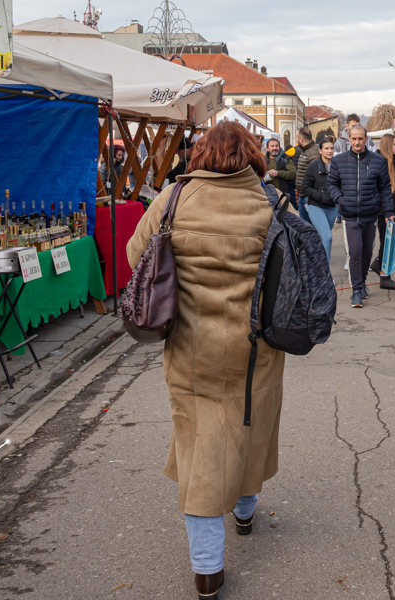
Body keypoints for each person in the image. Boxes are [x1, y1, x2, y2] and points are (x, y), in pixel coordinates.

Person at [124, 121, 285, 600]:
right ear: (252, 155)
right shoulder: (270, 203)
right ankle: (245, 511)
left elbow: (137, 257)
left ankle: (207, 570)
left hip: (191, 348)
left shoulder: (174, 199)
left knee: (200, 452)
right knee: (251, 430)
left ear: (200, 155)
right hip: (257, 349)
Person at [328, 125, 394, 308]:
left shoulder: (377, 161)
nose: (357, 142)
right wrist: (340, 199)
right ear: (349, 138)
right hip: (350, 216)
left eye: (360, 139)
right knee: (355, 252)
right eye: (354, 138)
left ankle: (362, 282)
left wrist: (389, 212)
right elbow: (332, 184)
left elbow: (385, 188)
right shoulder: (339, 161)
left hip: (370, 214)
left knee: (366, 253)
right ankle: (356, 291)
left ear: (366, 139)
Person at [372, 133, 395, 291]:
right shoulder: (381, 165)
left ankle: (378, 264)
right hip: (386, 212)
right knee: (388, 243)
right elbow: (381, 192)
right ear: (387, 145)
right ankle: (384, 275)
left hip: (394, 209)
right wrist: (386, 212)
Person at [300, 137, 340, 265]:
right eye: (326, 148)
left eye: (331, 148)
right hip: (316, 206)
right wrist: (321, 196)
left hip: (332, 207)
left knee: (322, 238)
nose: (329, 151)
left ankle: (314, 263)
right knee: (327, 237)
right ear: (320, 151)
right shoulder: (313, 166)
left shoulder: (337, 165)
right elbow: (305, 187)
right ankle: (325, 274)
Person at [292, 127, 319, 212]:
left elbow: (316, 176)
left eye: (297, 138)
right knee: (303, 224)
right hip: (302, 195)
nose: (296, 141)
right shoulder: (304, 150)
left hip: (309, 197)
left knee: (310, 224)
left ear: (301, 139)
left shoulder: (314, 152)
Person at [264, 138, 297, 206]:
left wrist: (278, 173)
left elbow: (293, 173)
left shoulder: (286, 158)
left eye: (277, 146)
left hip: (284, 194)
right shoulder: (263, 161)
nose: (275, 148)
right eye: (272, 146)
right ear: (267, 148)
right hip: (269, 195)